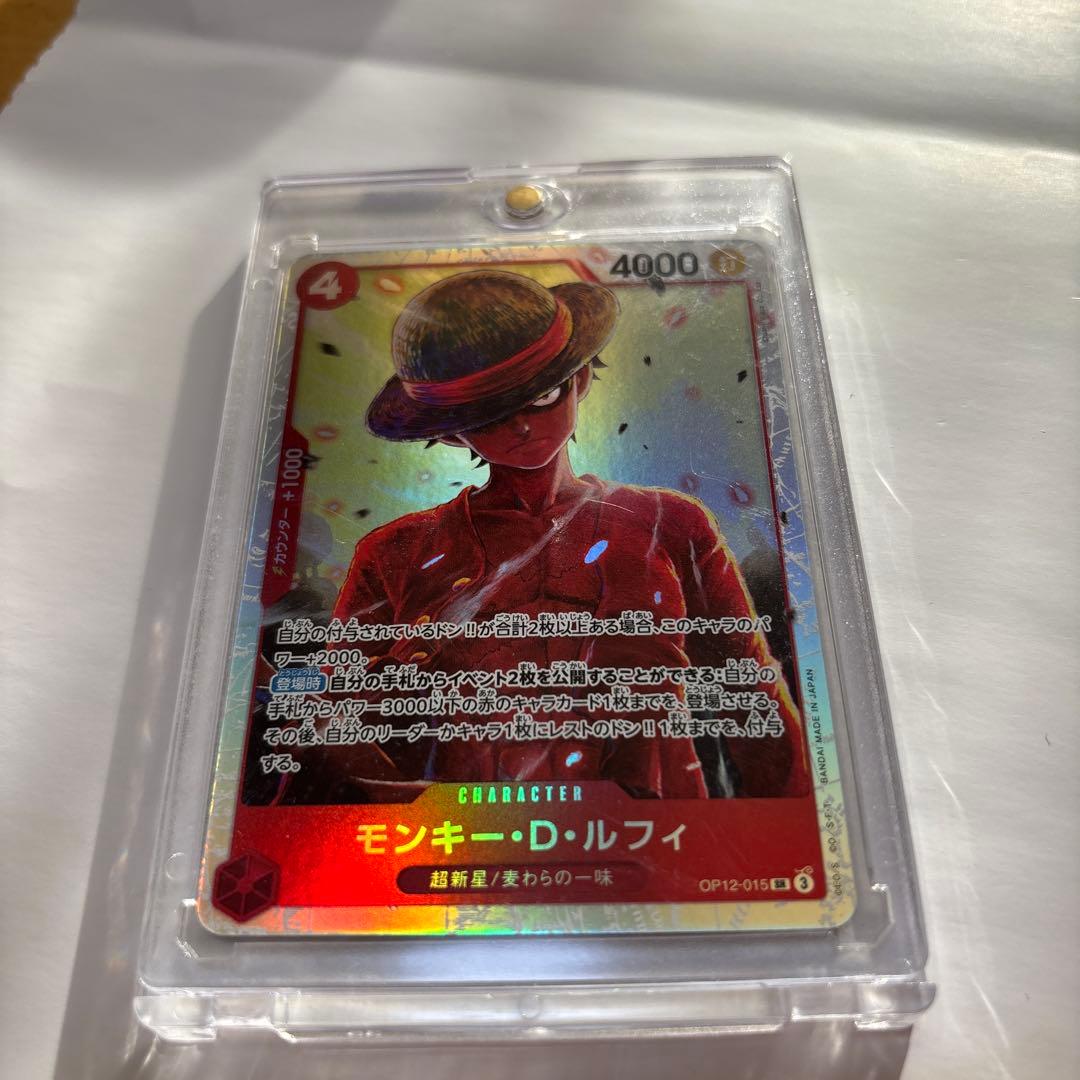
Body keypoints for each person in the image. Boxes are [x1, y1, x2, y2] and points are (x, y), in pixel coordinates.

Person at [284, 270, 809, 803]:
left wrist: (791, 830)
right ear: (449, 432)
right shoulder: (395, 552)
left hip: (657, 834)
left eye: (543, 395)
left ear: (578, 381)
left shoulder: (671, 523)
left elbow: (751, 693)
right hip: (467, 837)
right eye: (486, 416)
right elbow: (325, 723)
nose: (521, 427)